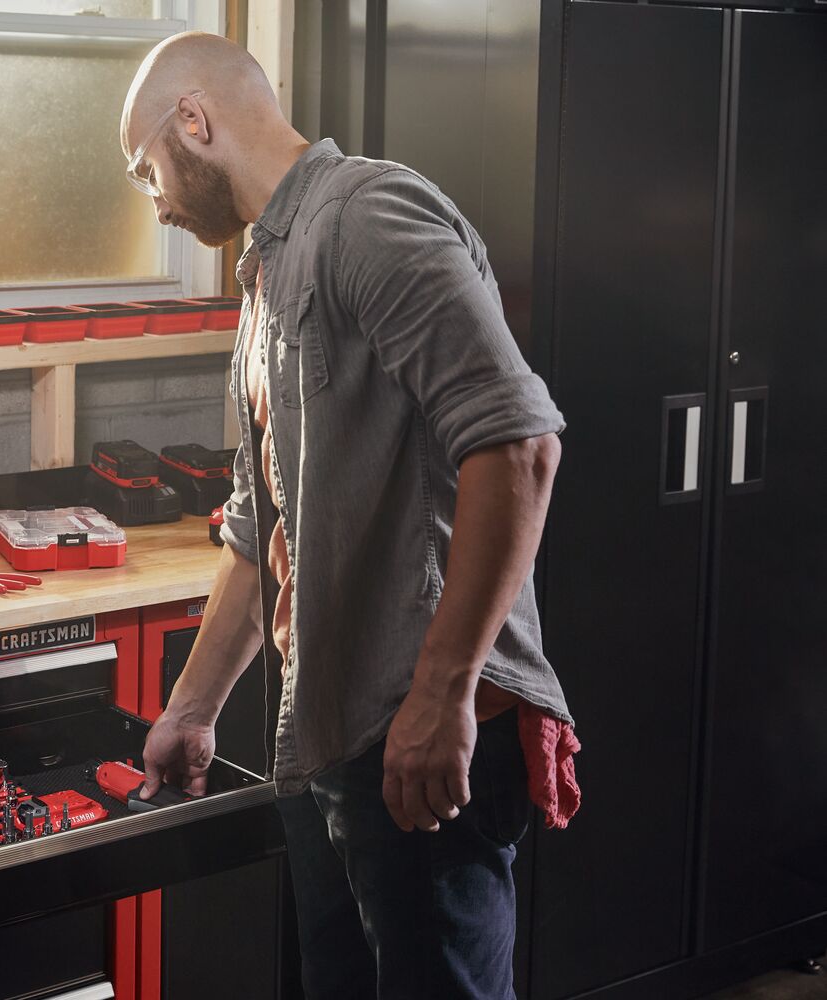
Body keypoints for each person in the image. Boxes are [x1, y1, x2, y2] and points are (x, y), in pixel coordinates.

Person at [119, 32, 581, 1000]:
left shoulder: (369, 215)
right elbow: (263, 529)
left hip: (414, 734)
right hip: (331, 737)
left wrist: (442, 694)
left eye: (146, 166)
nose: (151, 196)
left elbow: (519, 443)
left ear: (194, 124)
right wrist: (192, 713)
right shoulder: (264, 281)